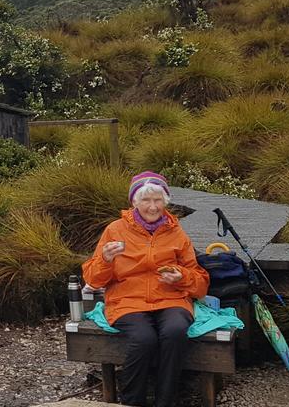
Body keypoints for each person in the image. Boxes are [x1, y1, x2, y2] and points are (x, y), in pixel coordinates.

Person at [82, 171, 209, 407]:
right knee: (143, 338)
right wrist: (106, 260)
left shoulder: (177, 232)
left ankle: (166, 400)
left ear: (166, 201)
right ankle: (132, 402)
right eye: (146, 200)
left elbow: (201, 283)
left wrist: (181, 277)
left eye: (158, 200)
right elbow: (93, 279)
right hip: (128, 300)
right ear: (134, 202)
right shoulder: (115, 230)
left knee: (175, 331)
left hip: (171, 299)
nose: (152, 207)